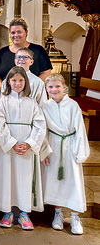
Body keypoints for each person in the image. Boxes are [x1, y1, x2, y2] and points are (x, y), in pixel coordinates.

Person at [0, 66, 46, 230]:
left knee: (25, 178)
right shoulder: (3, 101)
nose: (17, 83)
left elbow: (40, 126)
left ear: (26, 82)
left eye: (21, 80)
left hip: (26, 147)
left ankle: (24, 213)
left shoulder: (32, 102)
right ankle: (7, 212)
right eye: (14, 80)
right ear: (8, 81)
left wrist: (30, 143)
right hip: (9, 147)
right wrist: (12, 143)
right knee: (7, 177)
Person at [41, 73, 89, 235]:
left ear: (64, 87)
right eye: (50, 87)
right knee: (55, 181)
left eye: (57, 86)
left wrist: (79, 151)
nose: (54, 89)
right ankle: (58, 213)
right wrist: (44, 152)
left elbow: (80, 129)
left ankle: (75, 216)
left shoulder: (73, 105)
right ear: (46, 88)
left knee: (73, 181)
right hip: (53, 146)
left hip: (70, 145)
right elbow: (43, 131)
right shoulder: (45, 106)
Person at [0, 18, 52, 103]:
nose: (16, 35)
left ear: (26, 32)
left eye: (19, 32)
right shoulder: (3, 52)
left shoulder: (38, 50)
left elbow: (46, 72)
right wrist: (6, 89)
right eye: (13, 33)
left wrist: (32, 88)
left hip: (32, 95)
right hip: (7, 96)